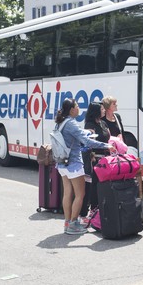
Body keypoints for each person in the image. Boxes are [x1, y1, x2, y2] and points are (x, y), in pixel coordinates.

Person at [55, 98, 114, 235]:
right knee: (80, 194)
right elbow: (87, 142)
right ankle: (74, 224)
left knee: (68, 193)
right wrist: (106, 145)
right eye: (76, 106)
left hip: (62, 162)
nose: (78, 109)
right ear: (71, 110)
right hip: (74, 163)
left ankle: (67, 222)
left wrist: (86, 132)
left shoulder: (61, 122)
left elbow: (77, 134)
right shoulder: (71, 123)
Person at [83, 101, 111, 213]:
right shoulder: (89, 125)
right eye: (102, 109)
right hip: (95, 158)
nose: (104, 110)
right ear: (96, 111)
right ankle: (93, 209)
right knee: (94, 184)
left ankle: (101, 207)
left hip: (105, 157)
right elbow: (89, 143)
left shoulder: (103, 123)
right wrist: (92, 155)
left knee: (104, 184)